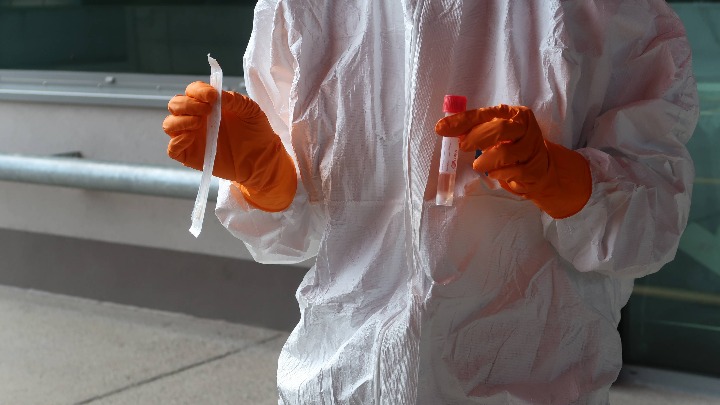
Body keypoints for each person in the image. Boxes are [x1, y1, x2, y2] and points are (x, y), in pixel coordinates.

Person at [162, 0, 698, 403]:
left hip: (526, 386)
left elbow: (654, 218)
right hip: (335, 382)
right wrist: (267, 178)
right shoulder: (303, 8)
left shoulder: (604, 11)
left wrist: (563, 179)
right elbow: (303, 231)